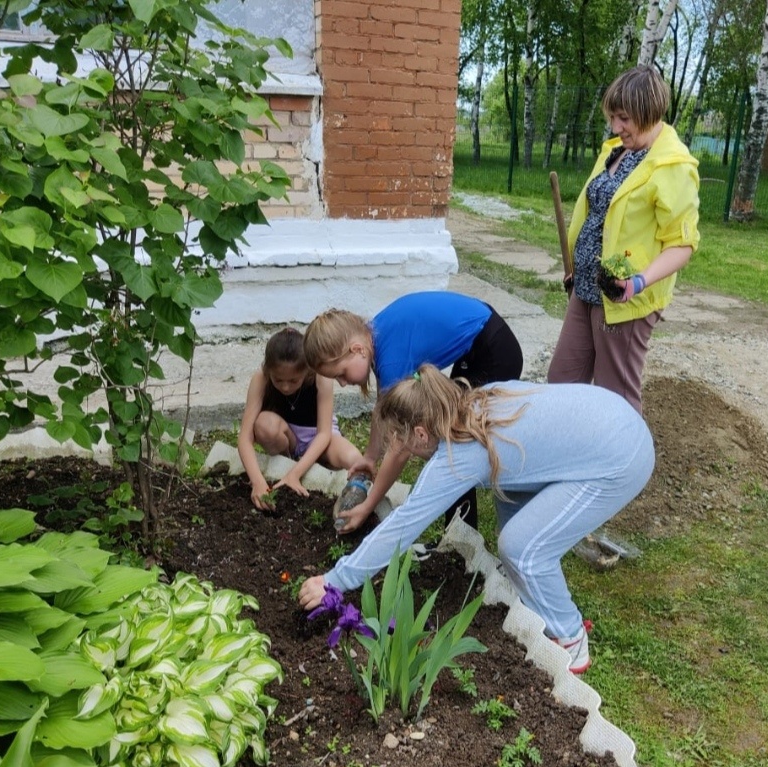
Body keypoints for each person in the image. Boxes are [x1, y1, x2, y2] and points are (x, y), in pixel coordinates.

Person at [298, 364, 655, 673]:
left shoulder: (459, 456)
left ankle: (569, 635)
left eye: (400, 441)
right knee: (511, 501)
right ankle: (530, 592)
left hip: (619, 459)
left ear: (421, 434)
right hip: (612, 416)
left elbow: (403, 525)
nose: (401, 449)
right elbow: (517, 472)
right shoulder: (474, 404)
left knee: (523, 549)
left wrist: (335, 580)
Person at [547, 65, 700, 415]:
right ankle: (564, 457)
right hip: (585, 288)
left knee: (615, 398)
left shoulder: (672, 166)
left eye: (624, 118)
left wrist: (638, 282)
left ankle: (624, 468)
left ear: (649, 113)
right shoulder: (617, 150)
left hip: (624, 299)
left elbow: (682, 244)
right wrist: (576, 267)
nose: (616, 127)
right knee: (560, 383)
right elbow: (599, 215)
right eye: (613, 117)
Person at [303, 291, 523, 532]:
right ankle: (458, 534)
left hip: (495, 350)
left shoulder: (390, 362)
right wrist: (370, 458)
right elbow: (383, 407)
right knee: (452, 438)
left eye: (341, 374)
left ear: (357, 350)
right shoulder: (373, 335)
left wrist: (368, 505)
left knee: (455, 443)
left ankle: (462, 537)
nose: (343, 384)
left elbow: (400, 448)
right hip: (481, 338)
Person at [238, 328, 364, 511]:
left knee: (354, 458)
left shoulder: (321, 377)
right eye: (278, 380)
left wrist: (294, 475)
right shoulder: (260, 378)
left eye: (293, 380)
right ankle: (286, 461)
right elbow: (245, 438)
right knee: (264, 424)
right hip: (287, 436)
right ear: (268, 370)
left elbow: (323, 433)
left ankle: (359, 501)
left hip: (320, 437)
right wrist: (257, 482)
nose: (286, 387)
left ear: (307, 370)